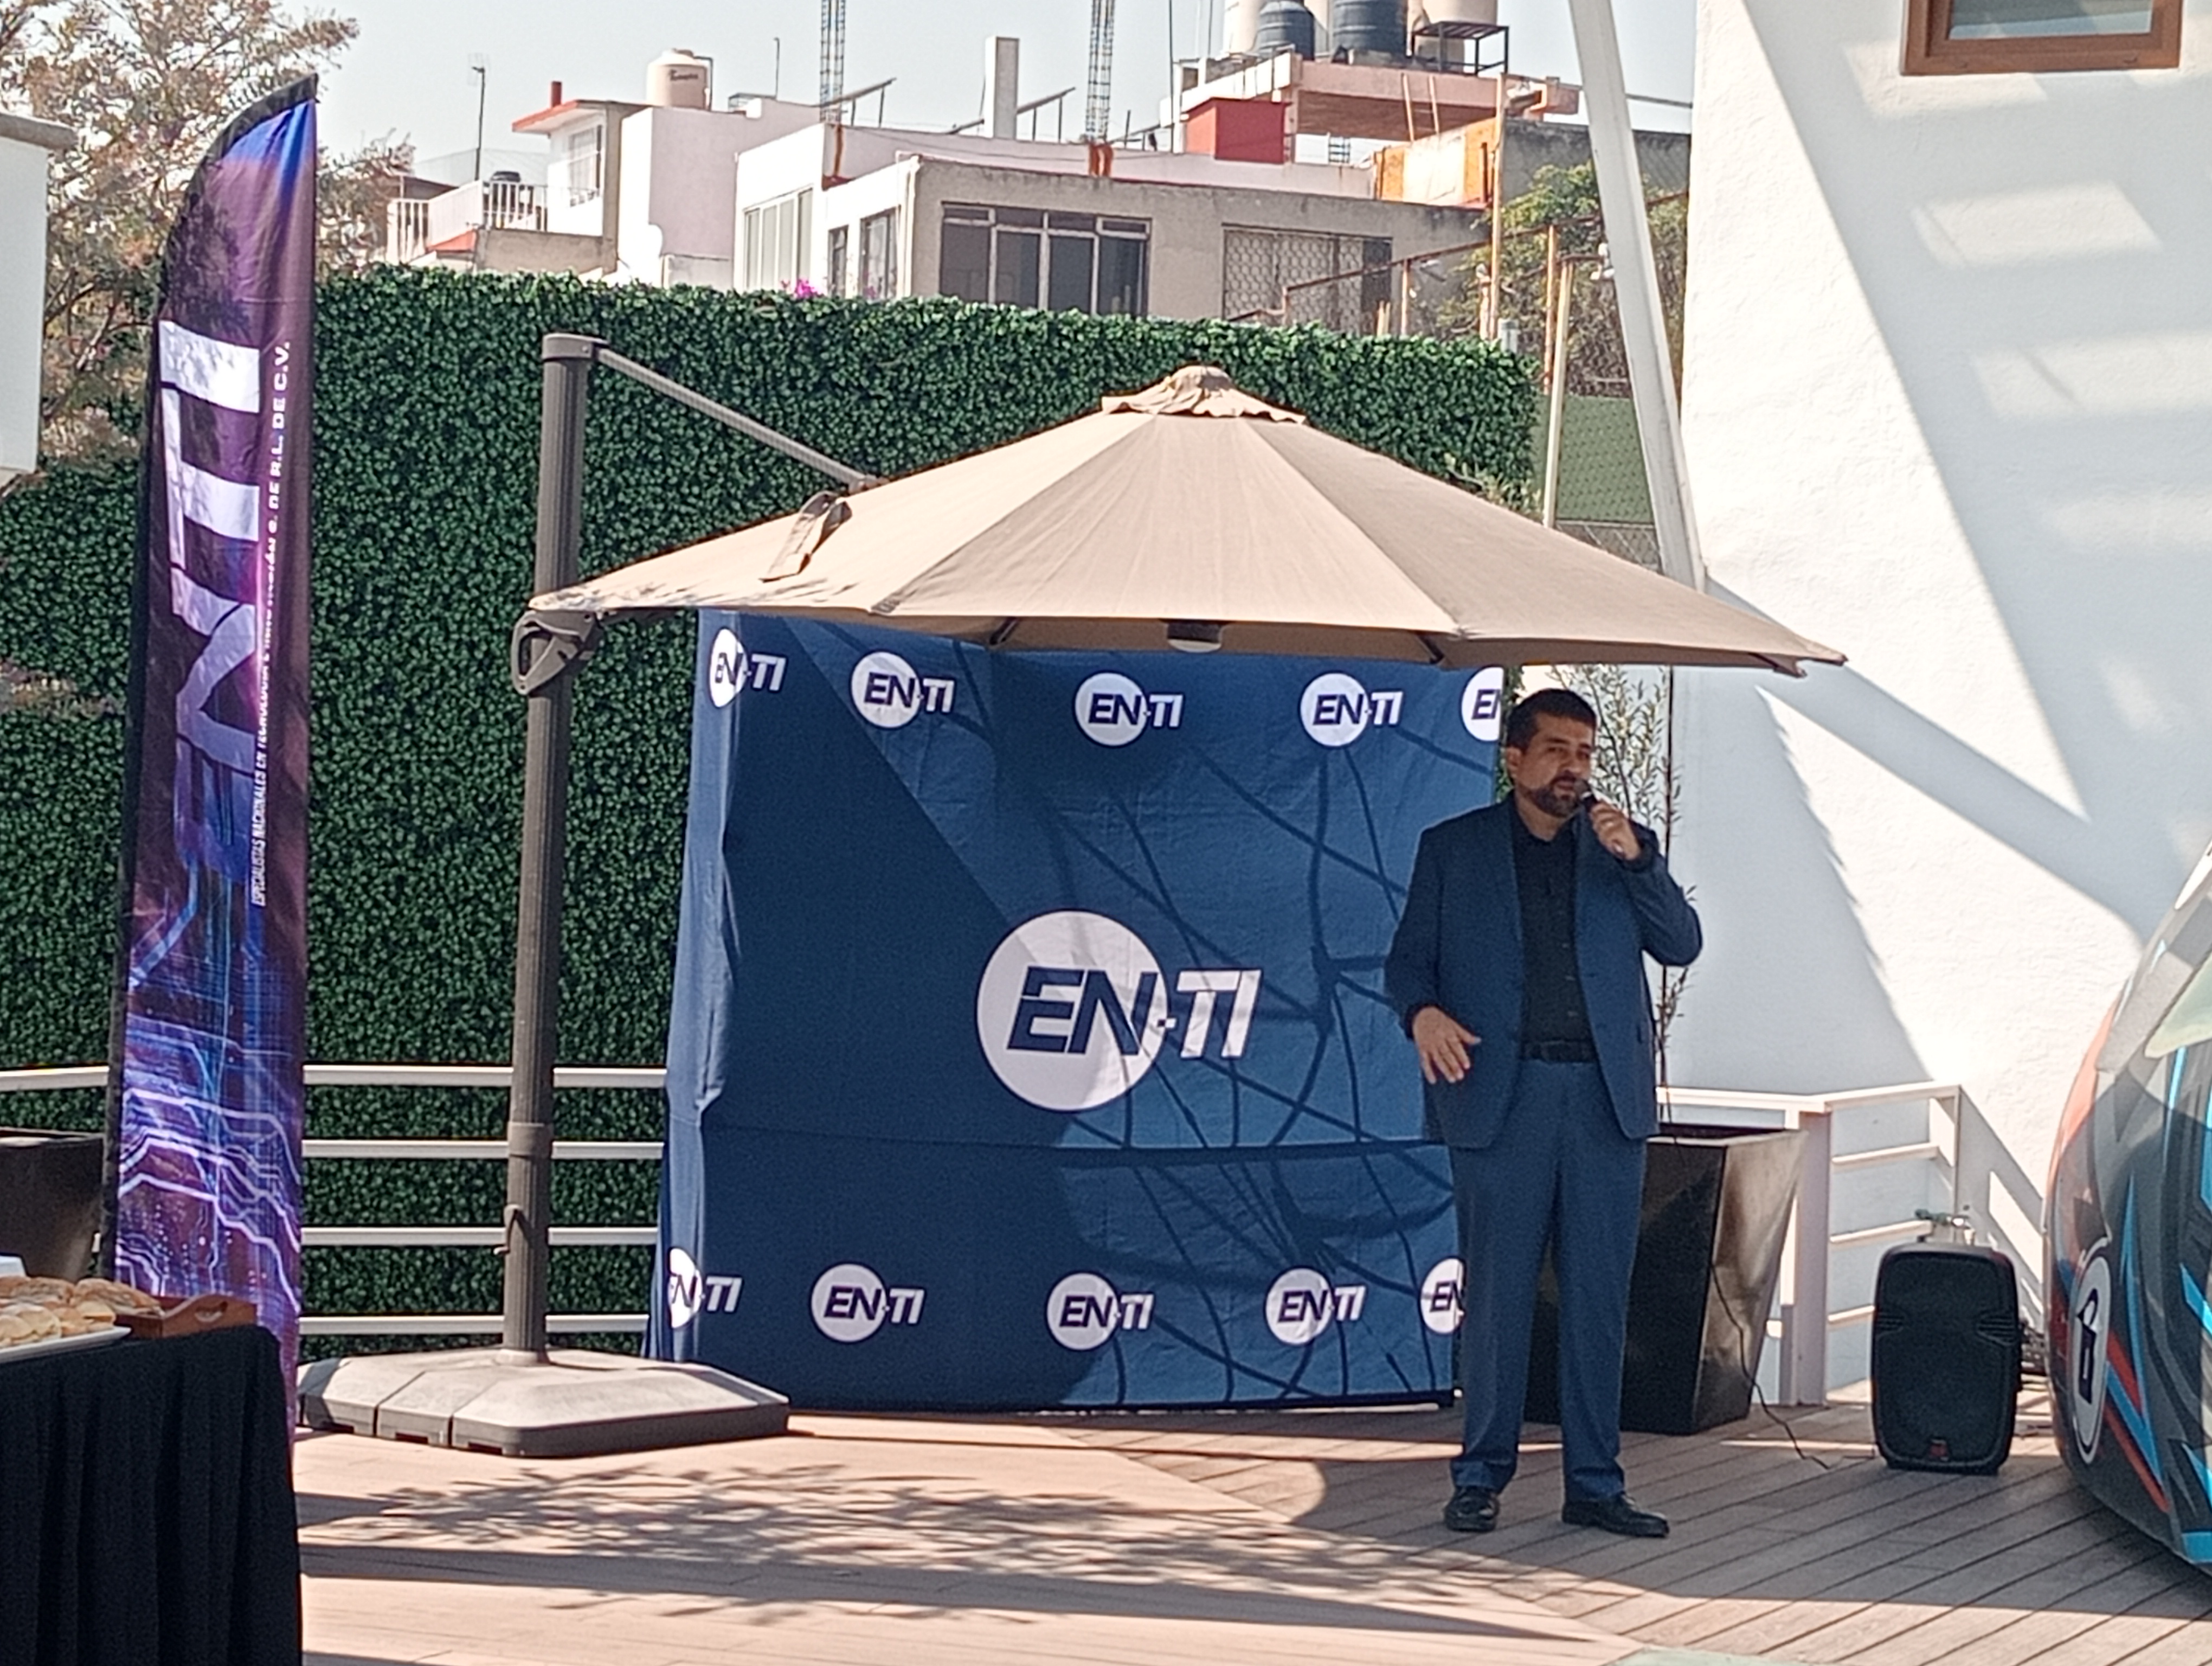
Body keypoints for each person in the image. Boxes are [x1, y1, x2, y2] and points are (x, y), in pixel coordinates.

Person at [1385, 687, 1701, 1539]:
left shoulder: (1620, 850)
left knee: (1599, 1302)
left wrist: (1641, 861)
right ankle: (1480, 1476)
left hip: (1602, 1100)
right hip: (1503, 1095)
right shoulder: (1453, 849)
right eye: (1557, 750)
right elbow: (1407, 964)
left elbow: (1681, 944)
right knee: (1498, 1301)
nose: (1574, 768)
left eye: (1585, 753)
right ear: (1514, 759)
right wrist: (1424, 1015)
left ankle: (1595, 1483)